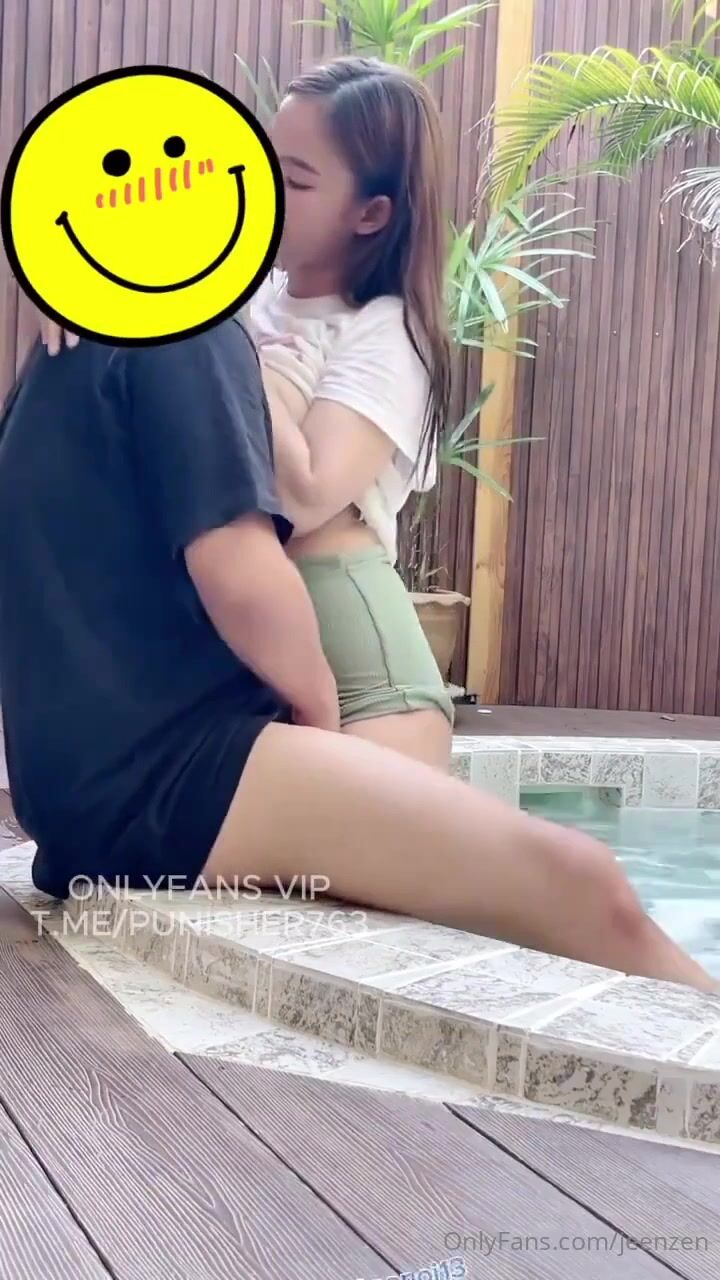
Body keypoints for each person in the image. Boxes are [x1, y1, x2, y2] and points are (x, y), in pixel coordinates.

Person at [0, 308, 715, 994]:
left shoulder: (65, 354)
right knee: (582, 883)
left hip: (82, 794)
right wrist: (318, 711)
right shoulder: (181, 328)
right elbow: (238, 570)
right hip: (165, 778)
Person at [39, 58, 456, 771]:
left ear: (371, 214)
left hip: (361, 673)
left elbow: (304, 496)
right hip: (246, 655)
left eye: (294, 180)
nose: (261, 187)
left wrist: (226, 337)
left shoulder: (387, 329)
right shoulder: (248, 296)